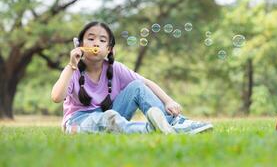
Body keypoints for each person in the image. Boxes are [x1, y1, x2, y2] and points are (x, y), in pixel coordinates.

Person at [51, 21, 213, 134]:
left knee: (137, 86)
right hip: (79, 121)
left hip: (111, 113)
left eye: (102, 40)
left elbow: (146, 83)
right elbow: (57, 97)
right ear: (80, 45)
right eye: (91, 39)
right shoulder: (73, 71)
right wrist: (71, 65)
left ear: (109, 50)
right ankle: (155, 130)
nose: (96, 43)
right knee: (109, 118)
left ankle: (175, 122)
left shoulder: (115, 68)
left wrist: (169, 101)